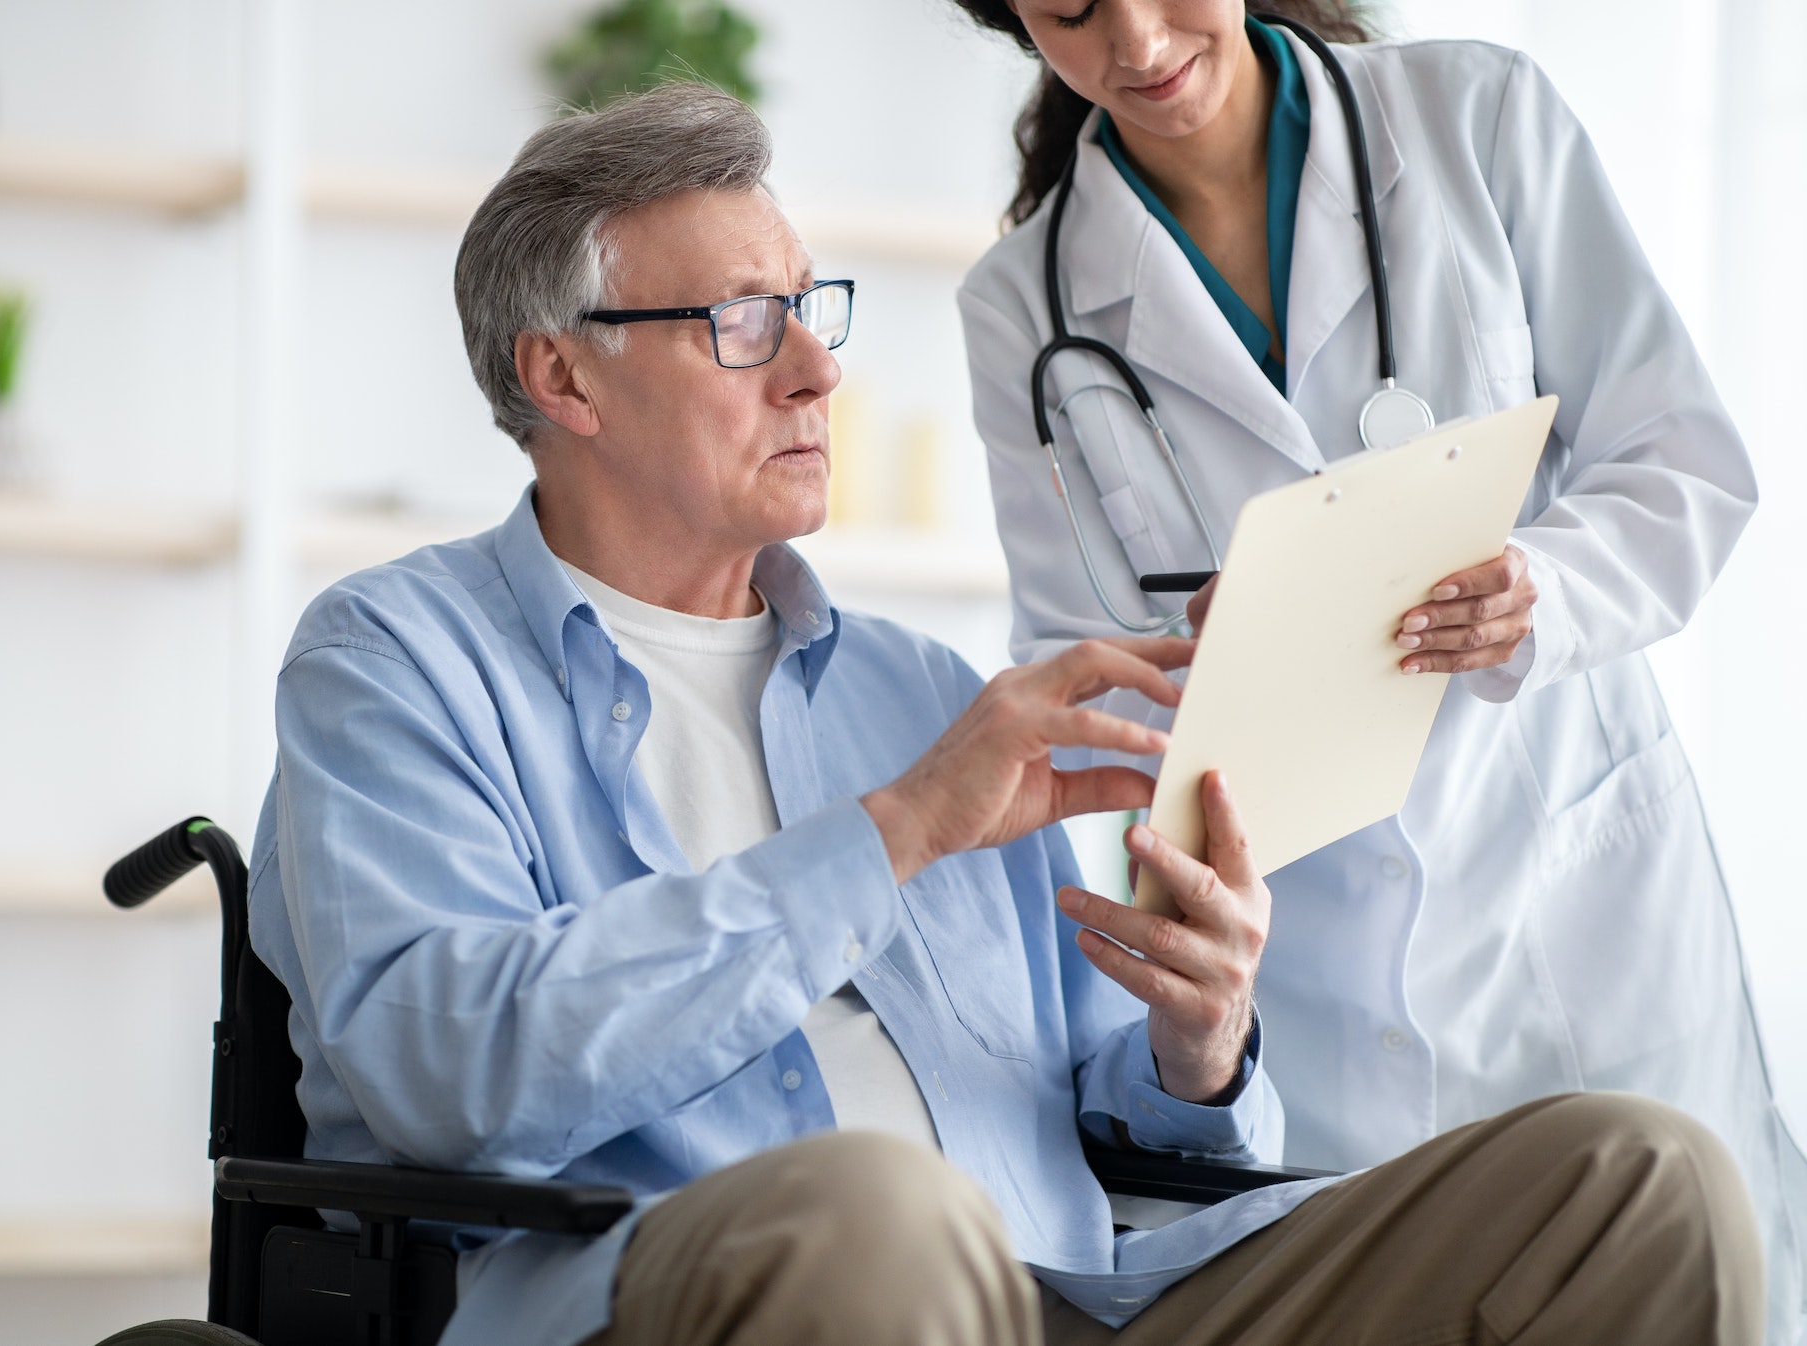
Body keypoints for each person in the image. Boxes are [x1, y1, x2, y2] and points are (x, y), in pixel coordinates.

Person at [247, 84, 1761, 1346]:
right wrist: (895, 832)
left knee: (1643, 1177)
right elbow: (447, 1076)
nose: (818, 369)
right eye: (743, 323)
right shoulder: (393, 664)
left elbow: (1112, 1103)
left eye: (813, 310)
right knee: (878, 1208)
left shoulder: (919, 687)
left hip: (1078, 1302)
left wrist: (1199, 1041)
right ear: (561, 375)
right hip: (713, 1294)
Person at [950, 2, 1803, 1338]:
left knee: (1669, 1259)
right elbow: (1087, 681)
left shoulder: (1475, 121)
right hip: (1316, 959)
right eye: (1068, 8)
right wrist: (1225, 657)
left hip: (1571, 893)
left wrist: (1547, 586)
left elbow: (1685, 458)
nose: (1136, 40)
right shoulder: (1025, 307)